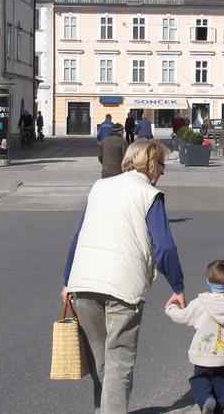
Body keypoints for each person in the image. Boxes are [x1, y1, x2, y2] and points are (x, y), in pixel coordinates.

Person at [62, 140, 186, 414]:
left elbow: (79, 234)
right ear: (152, 163)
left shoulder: (100, 187)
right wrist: (177, 286)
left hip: (84, 281)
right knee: (119, 360)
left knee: (100, 361)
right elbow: (164, 246)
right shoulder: (149, 194)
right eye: (162, 165)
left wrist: (68, 280)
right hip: (123, 286)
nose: (163, 172)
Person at [166, 260, 224, 414]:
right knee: (223, 385)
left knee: (200, 379)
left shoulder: (200, 302)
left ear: (207, 280)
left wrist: (171, 308)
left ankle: (206, 399)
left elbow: (182, 316)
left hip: (203, 354)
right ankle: (216, 407)